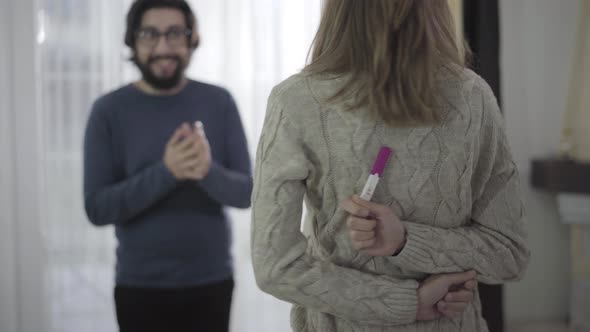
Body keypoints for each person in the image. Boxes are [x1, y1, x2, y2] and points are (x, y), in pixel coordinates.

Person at [250, 0, 530, 331]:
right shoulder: (472, 95)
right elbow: (507, 256)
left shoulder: (294, 99)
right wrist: (409, 300)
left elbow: (508, 253)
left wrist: (405, 241)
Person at [83, 1, 252, 331]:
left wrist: (206, 169)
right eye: (149, 34)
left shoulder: (220, 101)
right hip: (139, 287)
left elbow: (247, 193)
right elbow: (97, 208)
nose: (163, 47)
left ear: (192, 38)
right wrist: (167, 172)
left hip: (212, 281)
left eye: (175, 33)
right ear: (132, 40)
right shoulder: (107, 111)